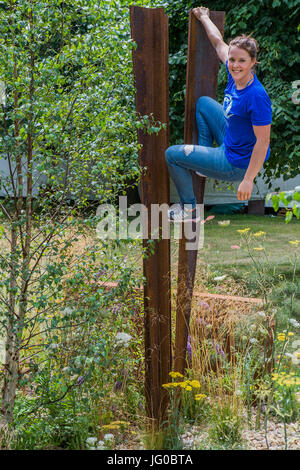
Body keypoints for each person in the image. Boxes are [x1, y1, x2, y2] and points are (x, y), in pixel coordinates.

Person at [166, 6, 272, 222]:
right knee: (204, 104)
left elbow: (263, 142)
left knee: (172, 155)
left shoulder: (257, 97)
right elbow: (218, 42)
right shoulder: (234, 74)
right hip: (230, 140)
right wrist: (204, 17)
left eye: (242, 61)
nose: (235, 65)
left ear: (253, 62)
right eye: (232, 60)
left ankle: (189, 210)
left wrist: (248, 180)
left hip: (236, 163)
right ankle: (203, 167)